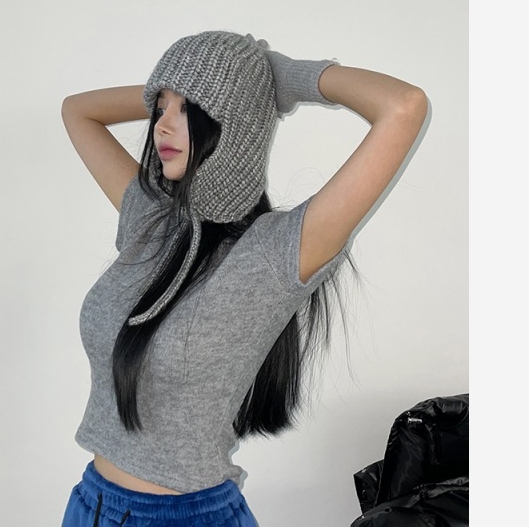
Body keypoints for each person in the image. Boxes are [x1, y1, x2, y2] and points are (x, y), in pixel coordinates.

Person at [59, 30, 428, 527]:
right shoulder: (150, 217)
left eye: (187, 109)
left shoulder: (275, 252)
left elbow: (404, 106)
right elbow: (77, 110)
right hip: (90, 503)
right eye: (160, 107)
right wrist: (182, 84)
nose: (161, 124)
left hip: (184, 518)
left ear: (232, 122)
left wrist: (280, 78)